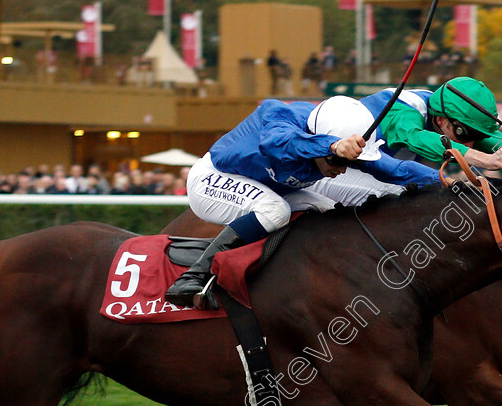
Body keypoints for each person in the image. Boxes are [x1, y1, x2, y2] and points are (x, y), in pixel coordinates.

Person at [166, 96, 437, 309]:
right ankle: (194, 277)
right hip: (211, 180)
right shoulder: (280, 117)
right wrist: (331, 147)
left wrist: (447, 181)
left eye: (349, 163)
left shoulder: (333, 139)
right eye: (339, 162)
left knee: (328, 210)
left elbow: (397, 171)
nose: (342, 170)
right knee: (275, 211)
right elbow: (279, 143)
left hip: (268, 185)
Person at [358, 76, 502, 173]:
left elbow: (487, 143)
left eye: (477, 136)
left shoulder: (444, 111)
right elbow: (417, 138)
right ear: (440, 120)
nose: (471, 144)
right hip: (338, 167)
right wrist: (486, 159)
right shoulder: (404, 109)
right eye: (465, 134)